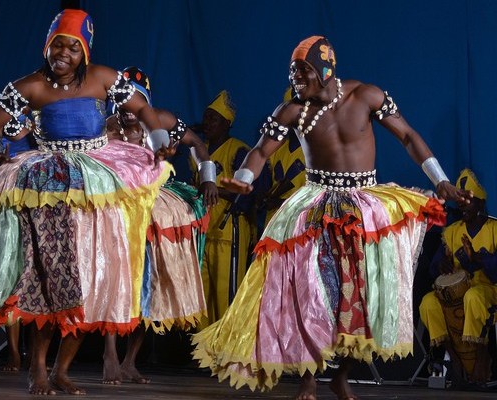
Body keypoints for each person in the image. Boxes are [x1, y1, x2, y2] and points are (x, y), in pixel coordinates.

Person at [191, 36, 472, 400]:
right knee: (312, 290)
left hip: (362, 206)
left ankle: (342, 375)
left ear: (325, 69)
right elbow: (260, 152)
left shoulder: (366, 96)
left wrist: (442, 180)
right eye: (293, 72)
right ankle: (310, 379)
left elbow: (407, 136)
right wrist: (243, 180)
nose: (296, 79)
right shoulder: (292, 112)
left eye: (303, 70)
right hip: (316, 203)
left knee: (365, 294)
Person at [0, 9, 172, 395]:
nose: (63, 53)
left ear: (85, 53)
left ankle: (63, 370)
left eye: (73, 48)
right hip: (48, 181)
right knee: (51, 276)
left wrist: (159, 143)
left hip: (97, 181)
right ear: (47, 45)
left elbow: (144, 111)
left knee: (91, 279)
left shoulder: (104, 79)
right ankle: (38, 370)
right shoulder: (28, 86)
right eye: (57, 44)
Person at [101, 66, 217, 385]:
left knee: (148, 284)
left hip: (155, 208)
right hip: (118, 209)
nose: (128, 110)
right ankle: (109, 354)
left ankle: (129, 360)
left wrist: (208, 177)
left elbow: (198, 145)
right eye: (122, 102)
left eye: (135, 102)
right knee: (117, 279)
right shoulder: (103, 127)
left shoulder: (162, 121)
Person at [419, 168, 497, 386]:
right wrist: (441, 265)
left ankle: (482, 358)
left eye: (468, 203)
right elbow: (435, 268)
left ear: (480, 203)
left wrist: (477, 259)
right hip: (456, 295)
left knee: (472, 296)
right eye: (460, 204)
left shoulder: (494, 229)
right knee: (428, 302)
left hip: (488, 290)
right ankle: (453, 358)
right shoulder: (452, 231)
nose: (463, 207)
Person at [192, 90, 256, 328]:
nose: (207, 123)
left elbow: (248, 193)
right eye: (206, 117)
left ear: (227, 124)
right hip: (204, 232)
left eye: (213, 119)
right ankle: (203, 351)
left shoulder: (239, 151)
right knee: (203, 294)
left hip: (229, 232)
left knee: (225, 293)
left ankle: (226, 350)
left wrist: (214, 190)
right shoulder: (198, 152)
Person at [260, 87, 306, 226]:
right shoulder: (275, 149)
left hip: (300, 226)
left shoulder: (318, 151)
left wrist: (280, 202)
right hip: (274, 224)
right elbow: (265, 185)